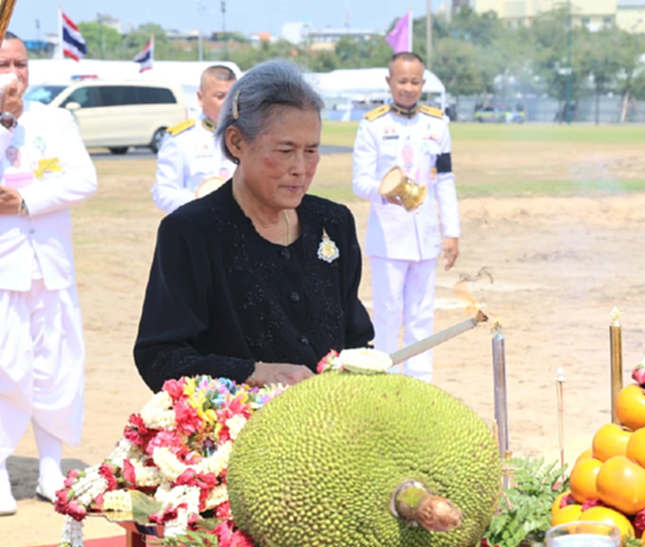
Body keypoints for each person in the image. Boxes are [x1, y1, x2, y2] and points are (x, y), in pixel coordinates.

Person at [134, 59, 374, 393]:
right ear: (236, 143)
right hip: (236, 433)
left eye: (311, 151)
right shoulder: (191, 232)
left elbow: (357, 339)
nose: (301, 168)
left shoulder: (333, 223)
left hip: (328, 430)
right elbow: (159, 357)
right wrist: (252, 372)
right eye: (286, 150)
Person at [0, 32, 98, 515]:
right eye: (4, 64)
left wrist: (27, 201)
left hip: (51, 265)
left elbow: (83, 179)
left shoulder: (54, 119)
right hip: (4, 268)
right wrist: (4, 121)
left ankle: (50, 467)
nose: (14, 74)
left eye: (20, 64)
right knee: (5, 366)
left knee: (56, 366)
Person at [352, 52, 459, 382]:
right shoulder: (373, 125)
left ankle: (419, 384)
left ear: (423, 84)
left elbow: (445, 180)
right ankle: (385, 382)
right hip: (388, 235)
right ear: (389, 82)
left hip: (425, 235)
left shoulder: (437, 124)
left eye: (415, 81)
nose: (408, 88)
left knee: (421, 316)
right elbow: (360, 181)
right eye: (402, 81)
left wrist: (451, 231)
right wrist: (384, 191)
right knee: (387, 313)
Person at [152, 65, 237, 214]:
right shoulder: (182, 138)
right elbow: (163, 191)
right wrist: (200, 202)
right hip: (198, 223)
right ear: (200, 97)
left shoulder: (249, 135)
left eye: (232, 97)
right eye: (220, 96)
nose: (227, 104)